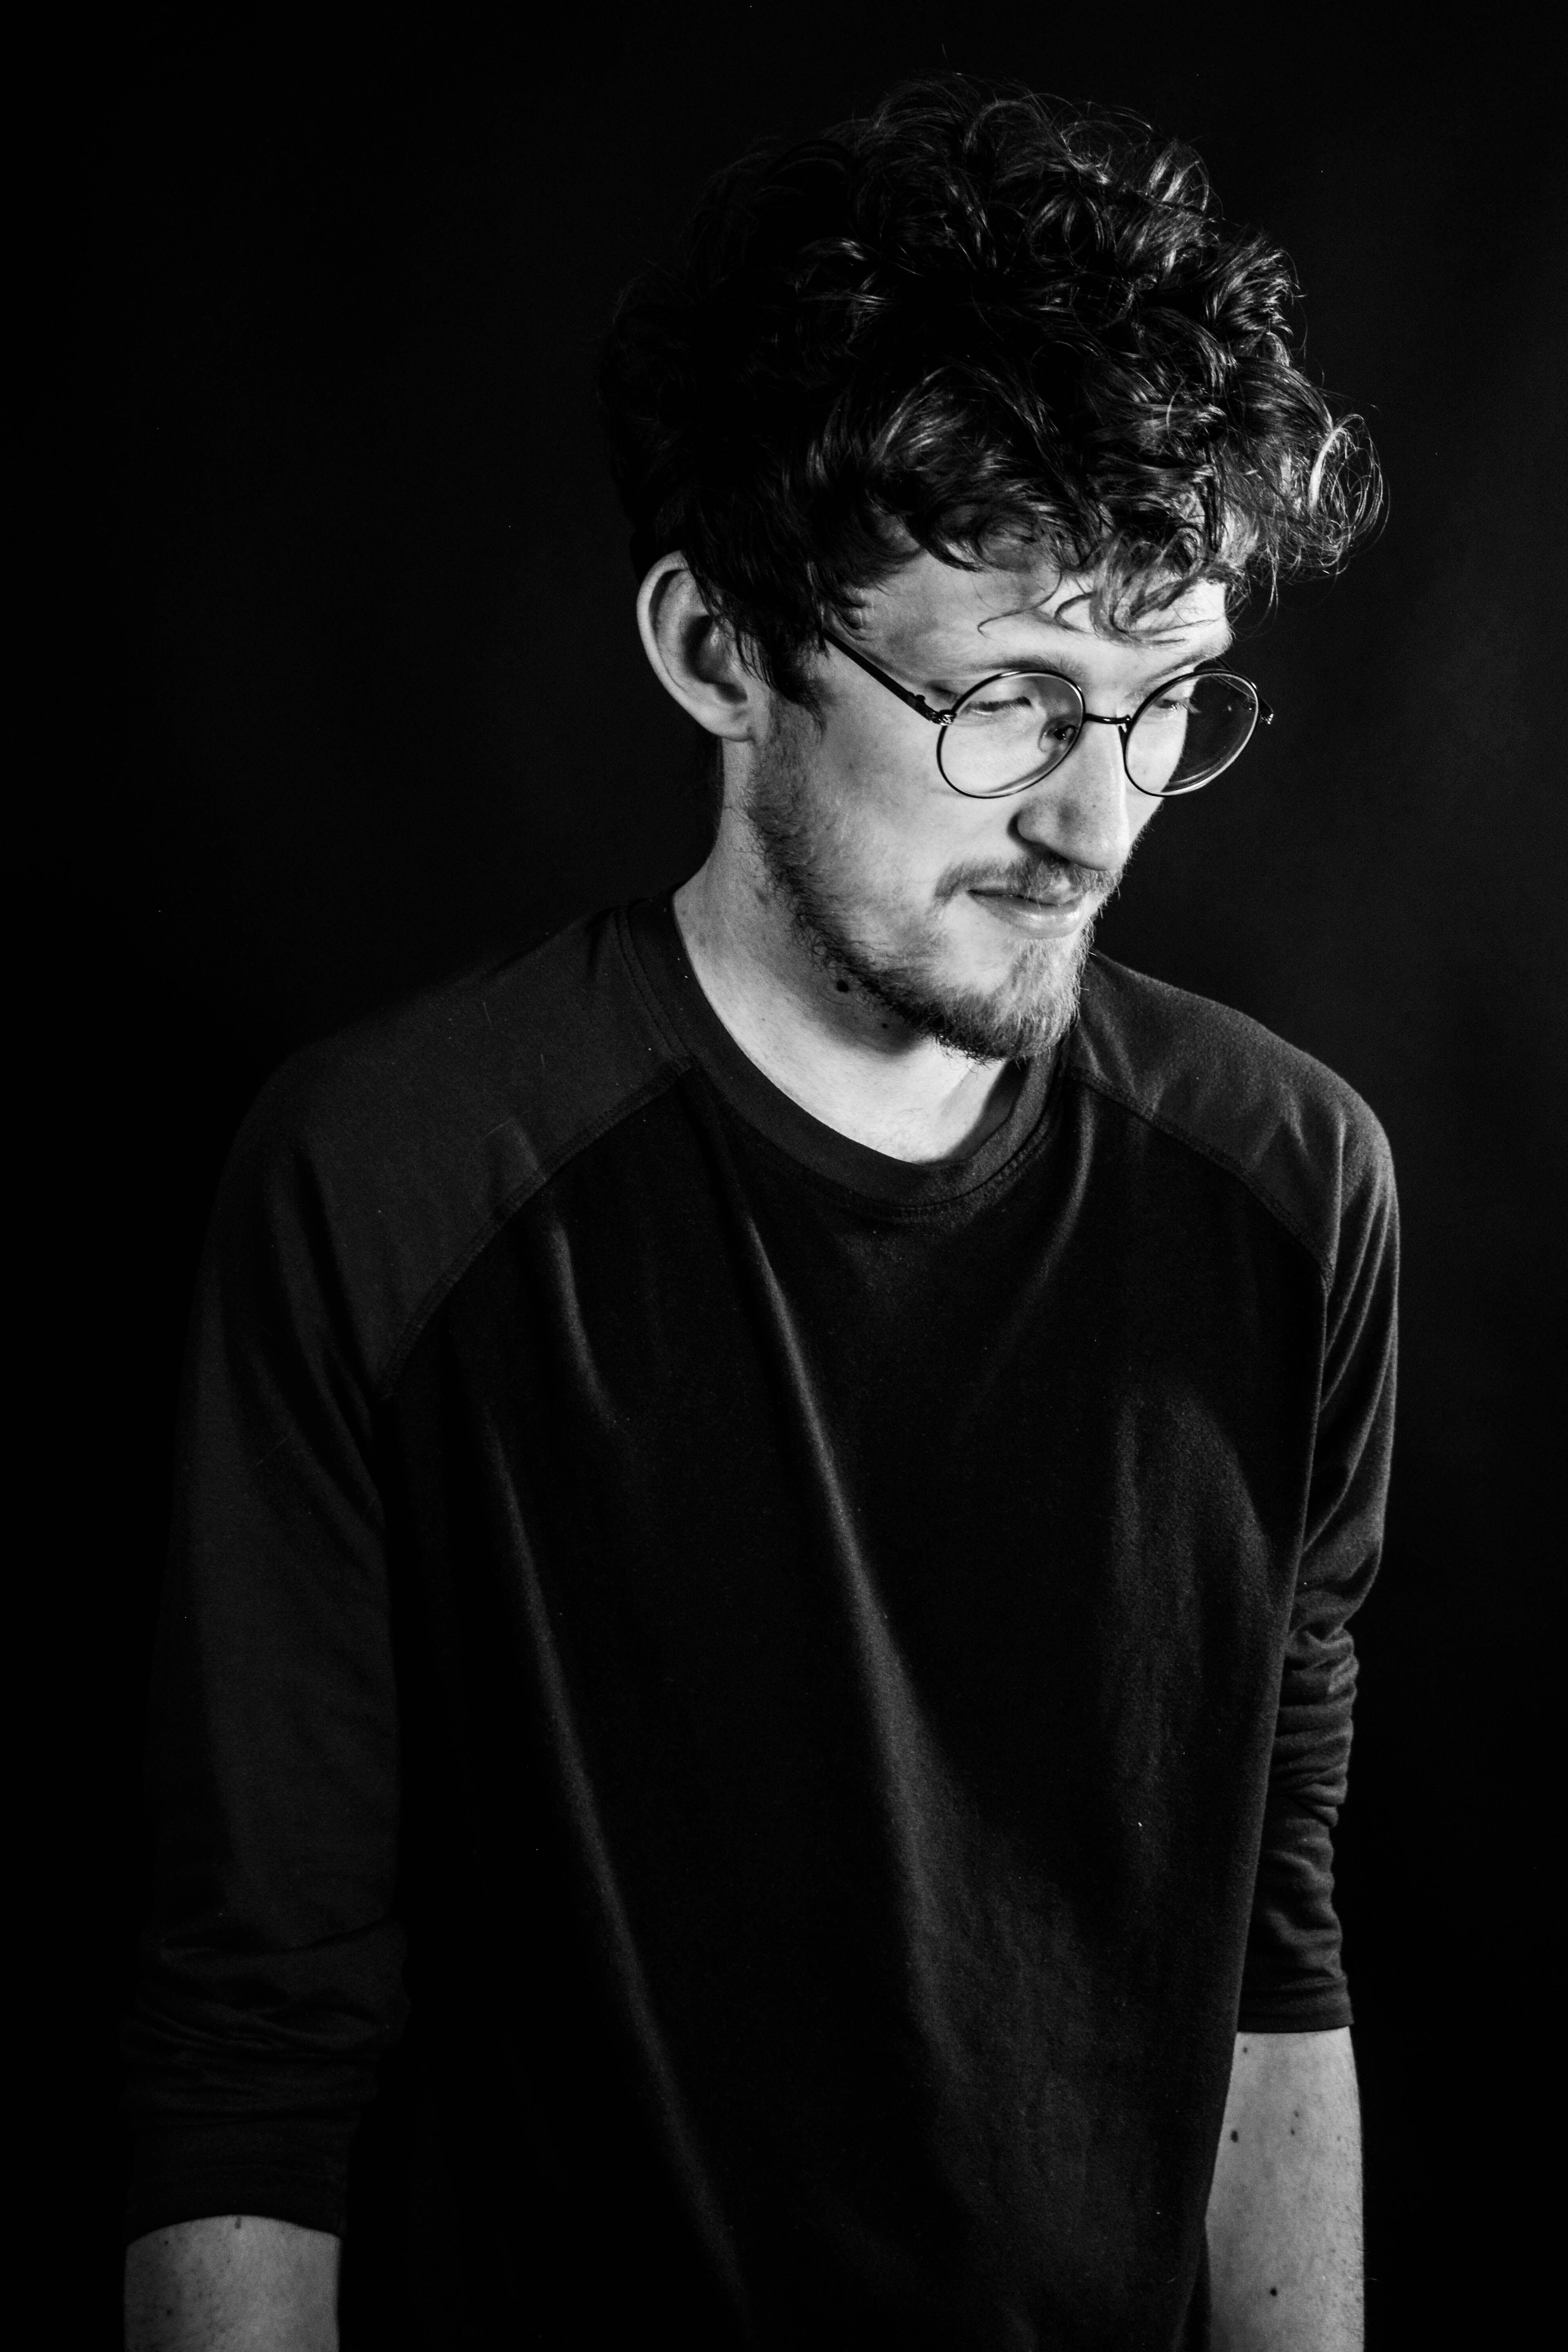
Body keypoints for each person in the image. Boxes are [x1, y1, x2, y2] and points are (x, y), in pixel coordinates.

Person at [123, 77, 1393, 2351]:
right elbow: (249, 2044)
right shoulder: (393, 1182)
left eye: (1164, 703)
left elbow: (1269, 1936)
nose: (1097, 822)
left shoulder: (1293, 1187)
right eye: (1007, 699)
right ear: (721, 650)